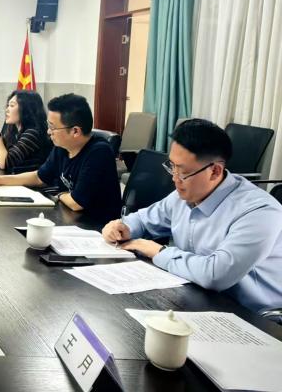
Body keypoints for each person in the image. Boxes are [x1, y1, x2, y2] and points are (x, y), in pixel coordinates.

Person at [102, 119, 282, 313]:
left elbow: (215, 275)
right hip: (197, 297)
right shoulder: (185, 195)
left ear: (215, 171)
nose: (174, 178)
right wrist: (122, 228)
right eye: (172, 167)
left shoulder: (260, 212)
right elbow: (143, 221)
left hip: (254, 316)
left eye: (183, 172)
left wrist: (157, 251)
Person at [0, 93, 121, 223]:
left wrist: (59, 194)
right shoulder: (63, 146)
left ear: (75, 131)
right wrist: (0, 180)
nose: (48, 132)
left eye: (53, 128)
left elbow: (76, 203)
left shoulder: (99, 152)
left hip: (95, 225)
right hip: (68, 216)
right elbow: (39, 177)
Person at [0, 90, 52, 173]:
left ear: (26, 109)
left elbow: (5, 164)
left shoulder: (33, 133)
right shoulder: (13, 131)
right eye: (7, 106)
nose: (6, 110)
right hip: (15, 177)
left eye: (12, 105)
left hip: (29, 180)